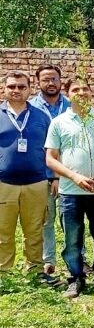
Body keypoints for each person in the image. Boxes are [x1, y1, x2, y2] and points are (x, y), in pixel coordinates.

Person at [45, 75, 94, 298]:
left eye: (86, 89)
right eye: (76, 89)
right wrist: (74, 177)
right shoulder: (59, 122)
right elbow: (51, 159)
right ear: (68, 95)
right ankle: (76, 278)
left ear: (91, 93)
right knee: (72, 239)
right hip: (71, 191)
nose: (82, 93)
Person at [0, 72, 53, 282]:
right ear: (4, 89)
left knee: (34, 231)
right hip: (4, 183)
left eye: (22, 87)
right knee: (3, 231)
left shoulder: (41, 116)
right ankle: (3, 274)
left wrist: (53, 178)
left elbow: (51, 150)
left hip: (37, 182)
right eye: (12, 86)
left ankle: (36, 271)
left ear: (29, 89)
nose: (16, 90)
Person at [29, 64, 72, 278]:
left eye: (54, 79)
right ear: (38, 82)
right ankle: (48, 261)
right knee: (46, 218)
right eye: (46, 79)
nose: (51, 83)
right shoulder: (30, 108)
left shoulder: (72, 106)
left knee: (70, 219)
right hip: (41, 175)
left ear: (60, 80)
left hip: (71, 175)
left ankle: (76, 258)